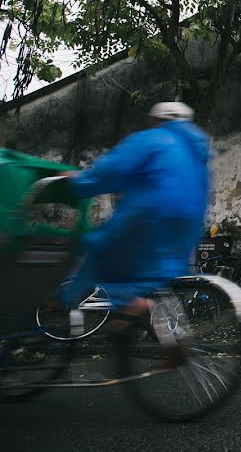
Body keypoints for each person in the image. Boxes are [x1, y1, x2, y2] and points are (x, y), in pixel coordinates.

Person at [60, 102, 212, 344]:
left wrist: (80, 181)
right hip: (187, 225)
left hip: (151, 215)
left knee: (98, 253)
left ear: (157, 120)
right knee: (152, 275)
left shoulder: (153, 139)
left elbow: (111, 170)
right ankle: (161, 332)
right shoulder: (197, 153)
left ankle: (139, 307)